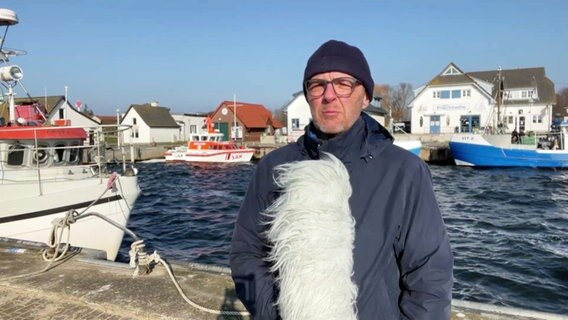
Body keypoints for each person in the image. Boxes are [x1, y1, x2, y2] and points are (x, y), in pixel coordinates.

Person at [230, 40, 453, 319]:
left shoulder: (405, 172)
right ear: (308, 96)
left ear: (365, 96)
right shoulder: (274, 168)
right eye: (317, 85)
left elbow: (430, 275)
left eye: (343, 83)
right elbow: (246, 254)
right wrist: (275, 313)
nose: (329, 95)